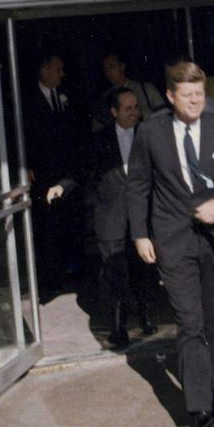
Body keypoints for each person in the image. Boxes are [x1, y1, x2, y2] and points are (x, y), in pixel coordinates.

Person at [127, 61, 214, 427]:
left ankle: (213, 389)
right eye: (187, 96)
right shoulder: (151, 131)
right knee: (191, 321)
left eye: (199, 94)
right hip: (172, 236)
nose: (195, 102)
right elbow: (138, 184)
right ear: (170, 96)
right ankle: (198, 410)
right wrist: (140, 234)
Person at [88, 87, 155, 347]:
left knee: (143, 269)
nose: (134, 113)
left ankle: (146, 315)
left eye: (136, 107)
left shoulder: (148, 135)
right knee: (115, 273)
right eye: (127, 108)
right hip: (111, 216)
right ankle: (119, 326)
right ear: (114, 112)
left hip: (142, 216)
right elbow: (89, 174)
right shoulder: (98, 140)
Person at [26, 54, 84, 286]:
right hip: (43, 173)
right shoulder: (29, 100)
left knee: (71, 222)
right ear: (44, 70)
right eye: (58, 70)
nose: (63, 74)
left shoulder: (66, 95)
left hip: (67, 172)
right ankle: (52, 277)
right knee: (49, 226)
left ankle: (73, 271)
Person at [91, 52, 165, 130]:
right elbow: (97, 127)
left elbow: (165, 114)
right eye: (105, 69)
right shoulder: (105, 99)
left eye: (112, 67)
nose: (108, 72)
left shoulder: (146, 89)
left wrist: (142, 114)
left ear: (122, 67)